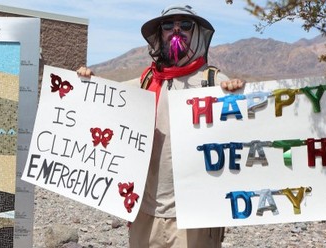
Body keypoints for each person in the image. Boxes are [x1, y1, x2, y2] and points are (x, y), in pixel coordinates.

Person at [78, 4, 245, 248]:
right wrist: (86, 81)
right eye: (169, 25)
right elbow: (106, 96)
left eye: (185, 25)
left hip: (193, 216)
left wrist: (236, 90)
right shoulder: (146, 81)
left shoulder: (213, 82)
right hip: (145, 213)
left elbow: (243, 123)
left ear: (196, 32)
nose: (176, 30)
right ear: (160, 34)